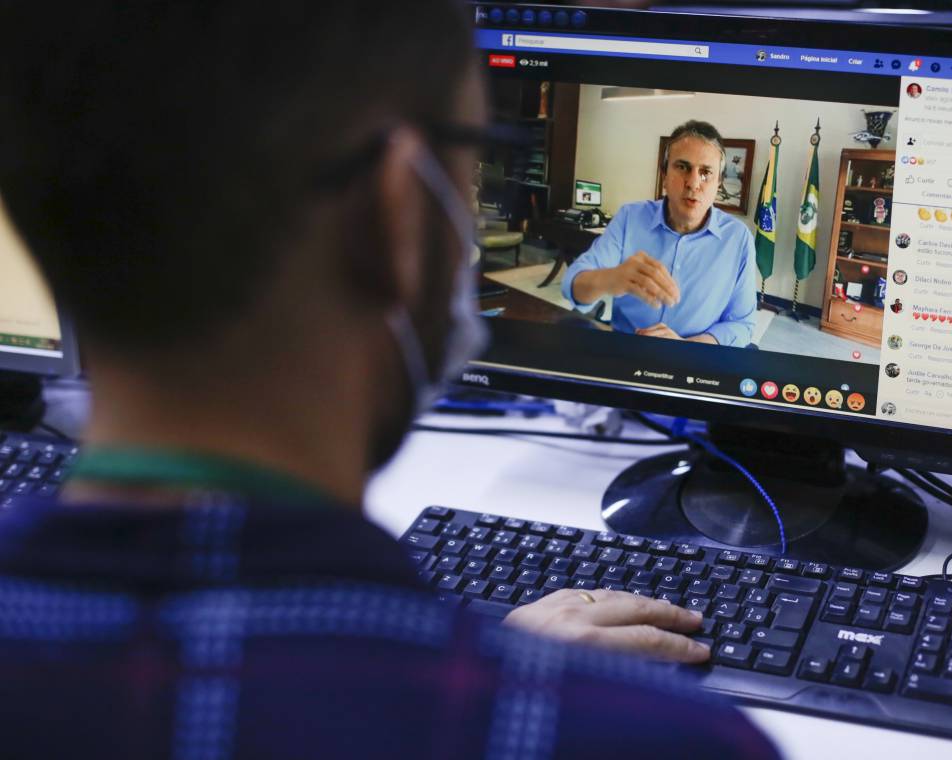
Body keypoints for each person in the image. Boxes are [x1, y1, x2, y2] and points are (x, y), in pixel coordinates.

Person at [0, 2, 780, 757]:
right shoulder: (654, 741)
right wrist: (499, 672)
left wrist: (493, 655)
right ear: (398, 213)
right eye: (470, 153)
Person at [561, 121, 758, 347]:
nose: (693, 183)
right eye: (682, 167)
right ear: (664, 175)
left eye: (706, 173)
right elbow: (571, 285)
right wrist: (611, 278)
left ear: (718, 183)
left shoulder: (738, 239)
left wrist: (687, 347)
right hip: (627, 352)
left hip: (696, 359)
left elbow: (742, 324)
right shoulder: (629, 218)